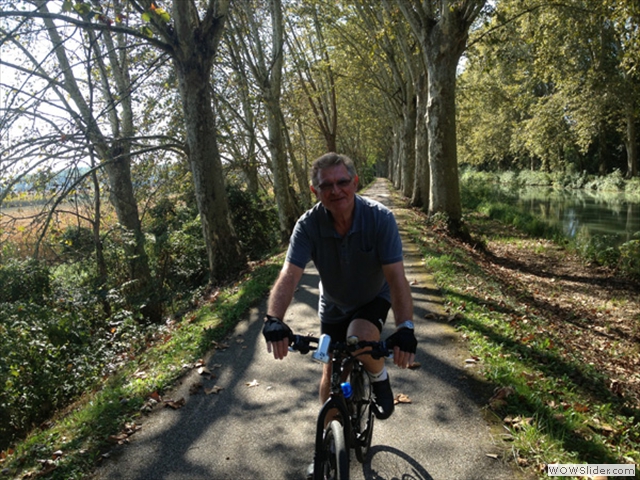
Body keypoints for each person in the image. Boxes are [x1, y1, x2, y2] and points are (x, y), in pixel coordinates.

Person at [262, 152, 417, 422]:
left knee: (359, 338)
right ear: (315, 190)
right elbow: (289, 275)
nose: (336, 190)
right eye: (326, 185)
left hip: (372, 298)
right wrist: (274, 319)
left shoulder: (381, 219)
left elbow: (396, 278)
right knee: (331, 371)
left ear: (355, 182)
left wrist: (405, 327)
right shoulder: (307, 225)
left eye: (342, 182)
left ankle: (379, 378)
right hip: (333, 304)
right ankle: (331, 441)